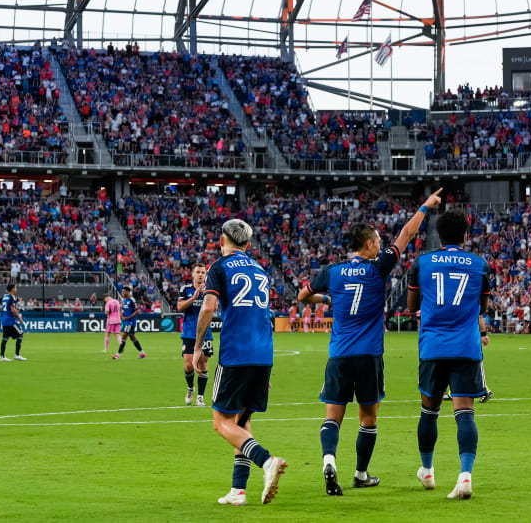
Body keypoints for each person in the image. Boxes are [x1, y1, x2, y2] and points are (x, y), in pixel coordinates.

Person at [299, 189, 442, 496]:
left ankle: (328, 461)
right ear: (368, 244)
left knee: (332, 417)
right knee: (368, 418)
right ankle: (361, 473)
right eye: (377, 240)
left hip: (338, 354)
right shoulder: (378, 268)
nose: (381, 244)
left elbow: (302, 296)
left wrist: (329, 298)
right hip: (369, 356)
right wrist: (425, 205)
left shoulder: (332, 271)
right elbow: (406, 233)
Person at [194, 219, 287, 506]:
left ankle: (266, 460)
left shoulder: (218, 268)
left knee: (221, 422)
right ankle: (238, 490)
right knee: (243, 421)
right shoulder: (260, 270)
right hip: (263, 353)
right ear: (248, 245)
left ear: (222, 241)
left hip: (236, 353)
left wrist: (198, 346)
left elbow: (208, 307)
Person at [406, 209, 490, 500]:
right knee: (465, 413)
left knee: (429, 411)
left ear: (439, 235)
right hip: (466, 347)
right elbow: (484, 308)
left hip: (433, 346)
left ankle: (427, 471)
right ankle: (465, 475)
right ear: (466, 235)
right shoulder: (479, 265)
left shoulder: (422, 263)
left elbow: (411, 303)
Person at [178, 264, 212, 405]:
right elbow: (180, 307)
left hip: (206, 333)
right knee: (188, 365)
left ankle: (200, 396)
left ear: (205, 275)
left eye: (203, 272)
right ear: (192, 274)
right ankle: (191, 387)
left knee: (203, 365)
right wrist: (193, 298)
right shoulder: (185, 289)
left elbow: (215, 307)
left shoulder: (210, 290)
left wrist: (206, 297)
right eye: (197, 272)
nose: (200, 275)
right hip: (189, 332)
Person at [115, 285, 146, 359]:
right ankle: (142, 353)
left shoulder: (132, 299)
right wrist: (122, 315)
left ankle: (117, 354)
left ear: (128, 292)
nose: (122, 292)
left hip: (131, 322)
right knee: (132, 338)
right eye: (122, 291)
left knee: (124, 336)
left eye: (124, 291)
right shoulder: (124, 300)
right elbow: (123, 310)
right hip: (126, 322)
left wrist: (129, 317)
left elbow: (137, 311)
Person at [0, 283, 26, 361]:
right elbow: (13, 310)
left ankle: (2, 356)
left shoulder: (5, 297)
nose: (16, 289)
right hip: (11, 321)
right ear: (12, 289)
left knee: (5, 338)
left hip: (4, 320)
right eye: (15, 288)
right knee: (20, 334)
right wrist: (19, 318)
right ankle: (17, 355)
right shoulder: (11, 298)